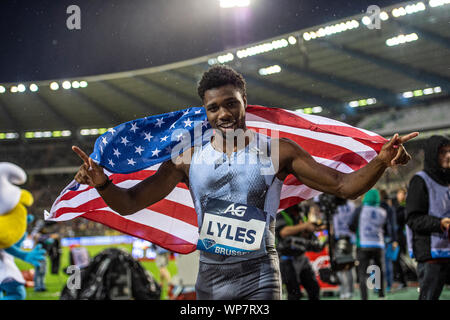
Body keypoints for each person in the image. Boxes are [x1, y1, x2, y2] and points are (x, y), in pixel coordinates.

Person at [71, 65, 417, 300]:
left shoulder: (279, 152)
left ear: (244, 103)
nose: (223, 114)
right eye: (213, 108)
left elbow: (344, 186)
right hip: (209, 277)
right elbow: (129, 203)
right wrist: (103, 184)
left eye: (230, 104)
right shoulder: (185, 158)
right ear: (205, 111)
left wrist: (382, 160)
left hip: (260, 276)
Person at [405, 135, 450, 300]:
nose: (448, 156)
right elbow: (413, 219)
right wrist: (440, 223)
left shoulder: (447, 180)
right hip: (431, 254)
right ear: (432, 155)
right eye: (443, 152)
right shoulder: (420, 181)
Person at [350, 189, 393, 300]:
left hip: (363, 244)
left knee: (362, 273)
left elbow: (351, 224)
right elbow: (387, 229)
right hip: (378, 245)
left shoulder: (360, 209)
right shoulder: (382, 211)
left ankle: (364, 297)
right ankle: (381, 295)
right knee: (378, 270)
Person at [275, 204, 324, 300]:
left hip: (301, 256)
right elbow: (283, 232)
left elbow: (304, 230)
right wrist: (304, 226)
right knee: (294, 292)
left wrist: (311, 229)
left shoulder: (301, 211)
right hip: (286, 258)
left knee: (314, 289)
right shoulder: (281, 212)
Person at [332, 197, 356, 299]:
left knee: (341, 267)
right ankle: (350, 291)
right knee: (349, 267)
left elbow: (335, 225)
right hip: (351, 239)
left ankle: (344, 291)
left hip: (341, 238)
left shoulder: (336, 206)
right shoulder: (352, 205)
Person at [379, 189, 398, 293]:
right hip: (388, 238)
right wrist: (395, 240)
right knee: (388, 263)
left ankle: (377, 286)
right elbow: (393, 225)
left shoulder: (374, 207)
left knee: (376, 263)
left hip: (376, 238)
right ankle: (389, 286)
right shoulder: (389, 209)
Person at [393, 187, 409, 289]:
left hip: (403, 236)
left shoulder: (406, 207)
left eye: (402, 194)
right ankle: (402, 280)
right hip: (400, 236)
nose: (400, 196)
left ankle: (403, 280)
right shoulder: (397, 206)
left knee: (401, 259)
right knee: (398, 259)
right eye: (399, 194)